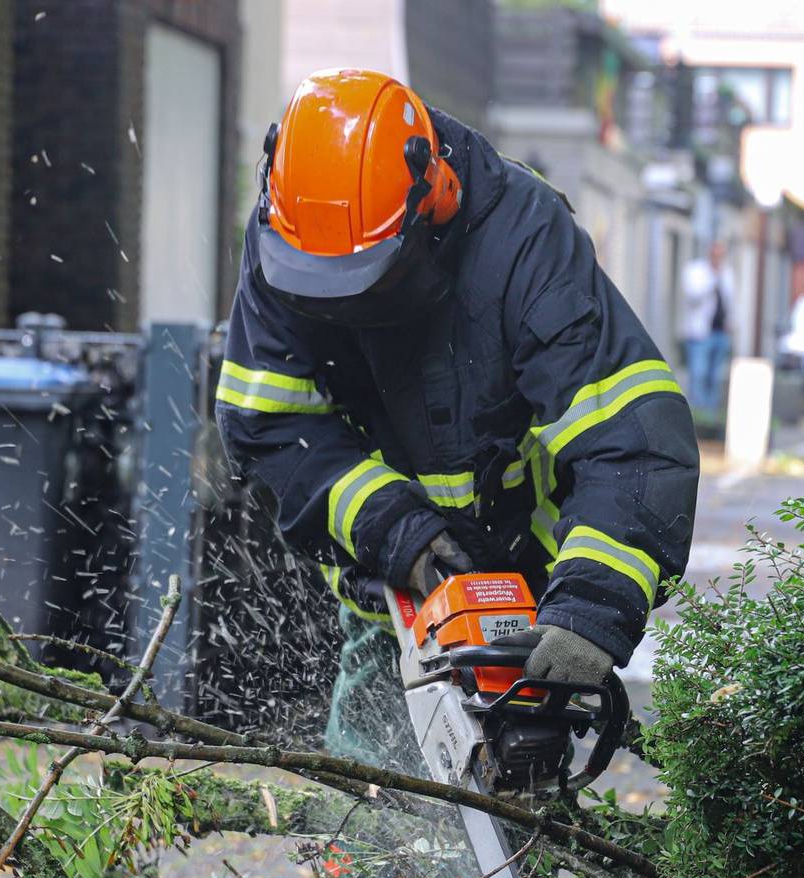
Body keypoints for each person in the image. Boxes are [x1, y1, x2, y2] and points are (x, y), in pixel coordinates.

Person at [215, 70, 698, 769]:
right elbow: (269, 426)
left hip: (533, 594)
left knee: (526, 812)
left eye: (367, 281)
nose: (348, 307)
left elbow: (632, 437)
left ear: (435, 197)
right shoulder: (289, 243)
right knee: (363, 805)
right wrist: (392, 527)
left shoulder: (523, 238)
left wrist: (590, 608)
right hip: (397, 596)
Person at [677, 240, 734, 414]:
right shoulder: (696, 271)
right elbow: (693, 295)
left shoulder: (727, 273)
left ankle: (710, 414)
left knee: (715, 377)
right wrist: (712, 279)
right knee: (698, 374)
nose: (718, 259)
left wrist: (731, 322)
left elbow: (731, 301)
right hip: (700, 334)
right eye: (716, 255)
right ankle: (696, 413)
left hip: (720, 332)